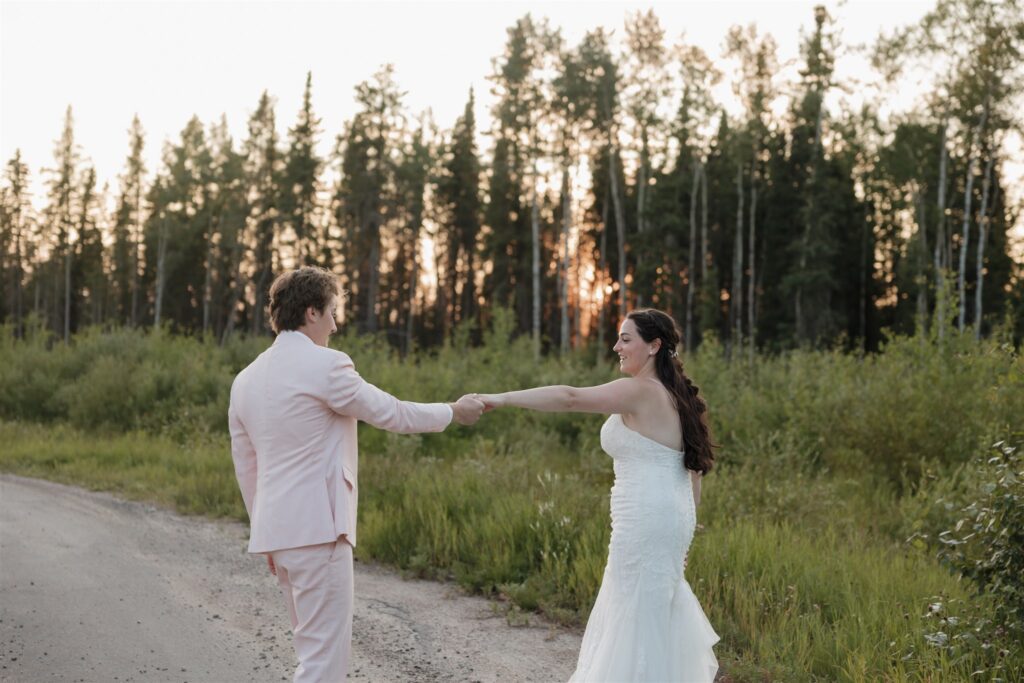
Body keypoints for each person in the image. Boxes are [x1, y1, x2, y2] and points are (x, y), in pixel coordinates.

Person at [228, 266, 484, 682]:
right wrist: (453, 411)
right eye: (332, 311)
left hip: (279, 535)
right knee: (324, 666)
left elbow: (247, 467)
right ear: (311, 312)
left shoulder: (245, 380)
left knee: (311, 654)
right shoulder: (326, 365)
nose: (336, 323)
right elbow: (393, 413)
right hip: (319, 532)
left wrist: (266, 534)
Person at [477, 308, 719, 682]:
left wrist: (502, 398)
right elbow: (693, 473)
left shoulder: (641, 390)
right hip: (667, 517)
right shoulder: (674, 394)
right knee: (647, 613)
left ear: (654, 346)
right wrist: (682, 532)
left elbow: (570, 398)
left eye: (625, 339)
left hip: (647, 521)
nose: (616, 346)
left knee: (634, 615)